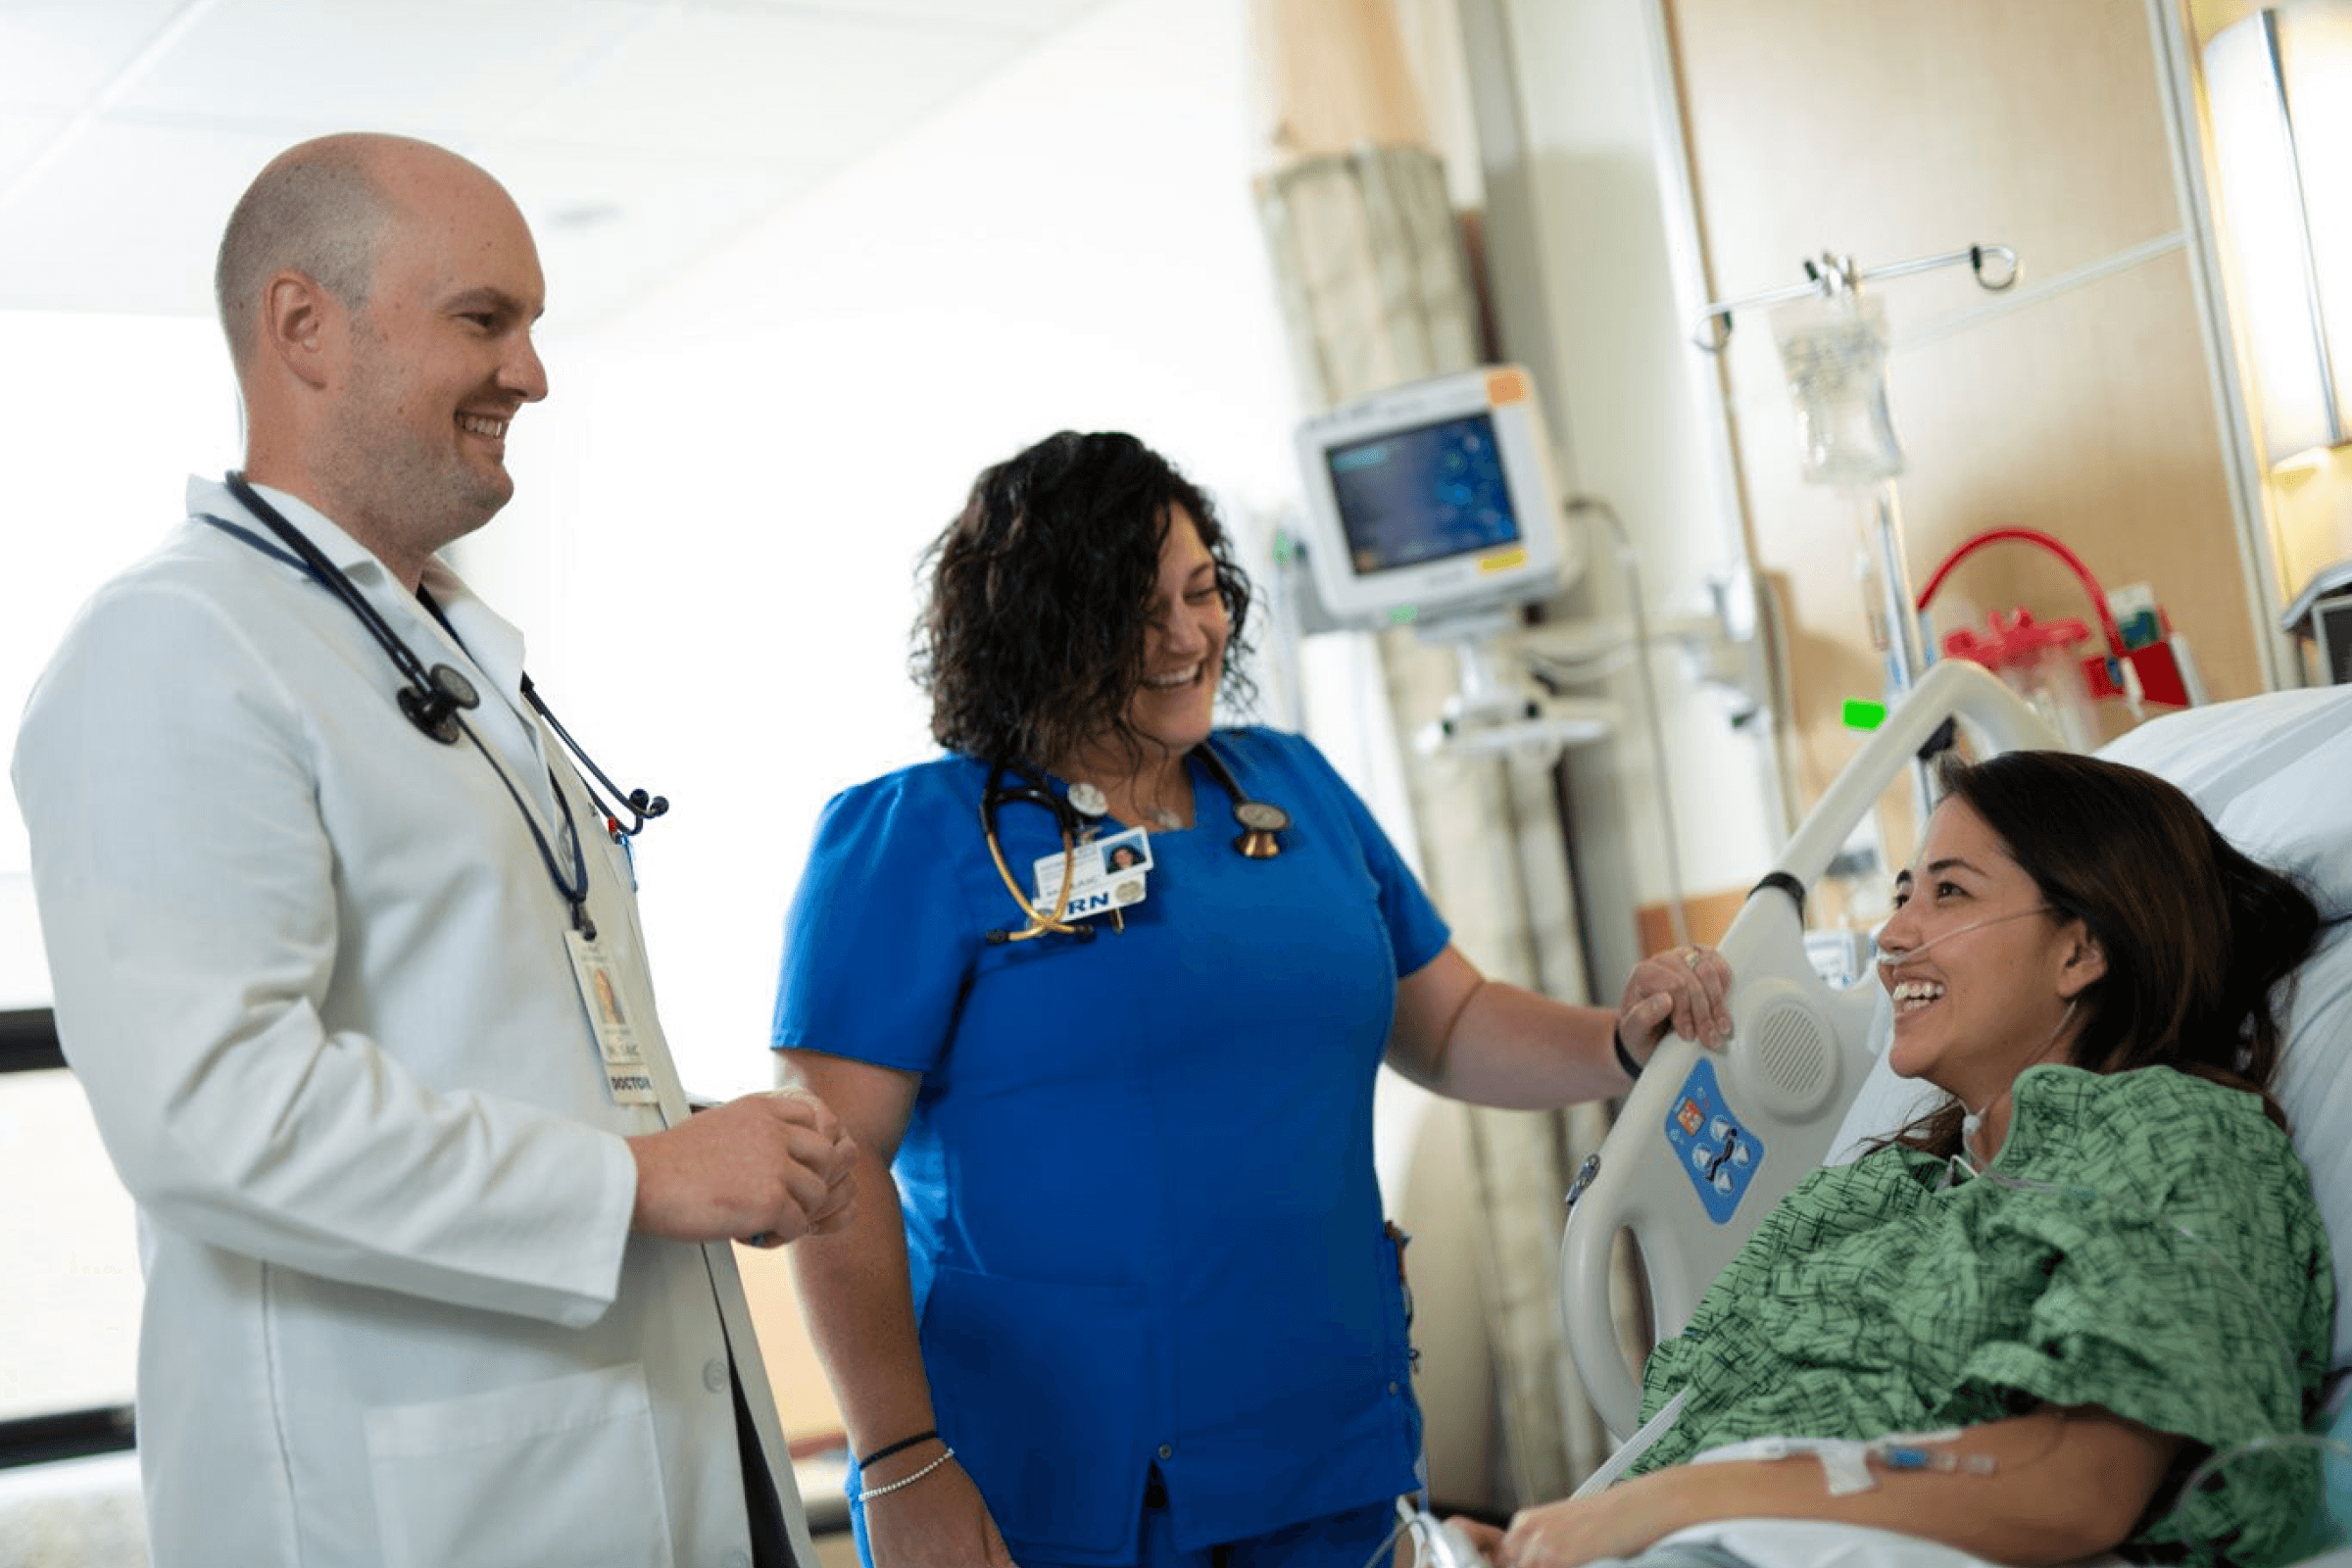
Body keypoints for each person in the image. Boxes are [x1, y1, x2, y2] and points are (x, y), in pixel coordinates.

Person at [12, 133, 857, 1568]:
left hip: (643, 1451)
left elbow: (484, 1033)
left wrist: (701, 1146)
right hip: (407, 1507)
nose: (533, 373)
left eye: (532, 325)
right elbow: (213, 1112)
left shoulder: (443, 655)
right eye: (486, 320)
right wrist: (646, 1182)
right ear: (303, 328)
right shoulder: (174, 647)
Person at [770, 429, 1733, 1568]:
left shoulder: (1291, 787)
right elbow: (824, 1168)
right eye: (1135, 610)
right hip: (1057, 1478)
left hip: (1323, 1439)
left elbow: (1452, 1022)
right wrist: (897, 1455)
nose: (1187, 637)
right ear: (1040, 626)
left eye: (1202, 591)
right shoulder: (916, 840)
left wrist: (1621, 1044)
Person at [1457, 751, 2332, 1568]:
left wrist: (1675, 1507)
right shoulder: (1883, 1193)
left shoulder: (2180, 1136)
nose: (1891, 936)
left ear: (2081, 948)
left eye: (1948, 894)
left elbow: (2084, 1484)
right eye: (1904, 893)